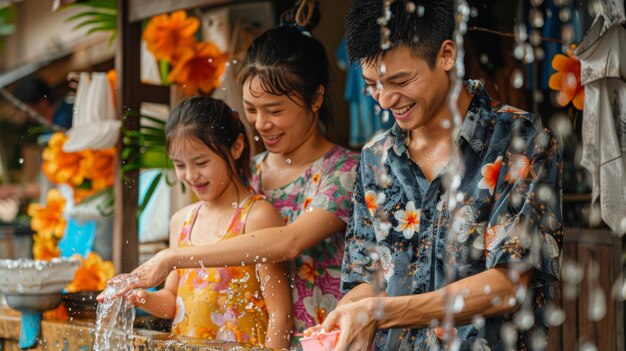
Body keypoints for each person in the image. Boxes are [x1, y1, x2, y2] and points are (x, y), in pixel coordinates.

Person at [100, 0, 360, 342]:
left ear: (315, 99)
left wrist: (173, 257)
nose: (261, 123)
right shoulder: (245, 174)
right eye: (251, 109)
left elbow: (288, 242)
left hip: (323, 341)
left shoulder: (344, 171)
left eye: (274, 110)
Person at [315, 1, 564, 350]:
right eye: (372, 85)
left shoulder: (520, 140)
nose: (385, 101)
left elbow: (508, 286)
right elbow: (366, 279)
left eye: (400, 81)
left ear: (446, 55)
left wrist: (380, 313)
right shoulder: (375, 158)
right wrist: (346, 314)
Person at [124, 97, 293, 349]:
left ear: (236, 147)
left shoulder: (256, 217)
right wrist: (140, 298)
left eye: (201, 162)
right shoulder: (181, 221)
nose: (191, 175)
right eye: (180, 165)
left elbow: (280, 314)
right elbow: (172, 301)